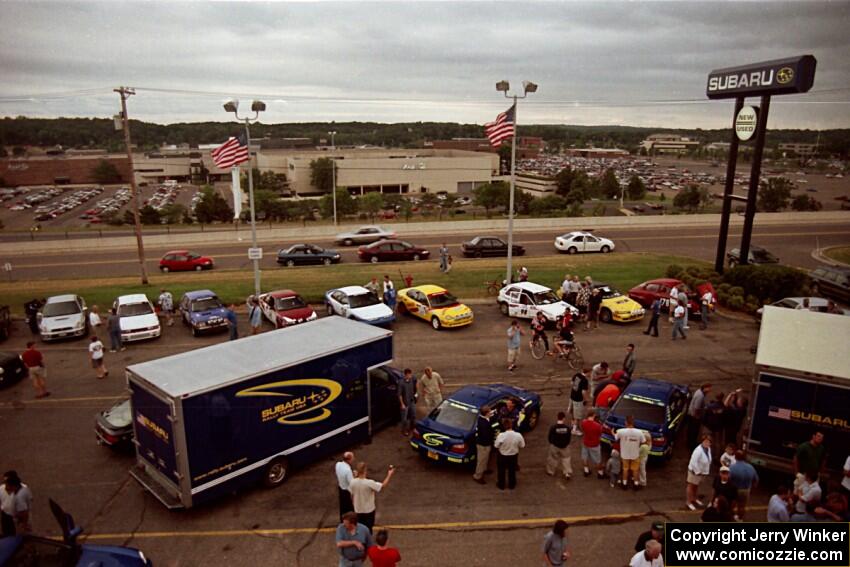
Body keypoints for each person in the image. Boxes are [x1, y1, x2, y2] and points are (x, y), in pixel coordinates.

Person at [349, 462, 395, 533]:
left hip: (357, 509)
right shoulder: (369, 483)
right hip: (368, 510)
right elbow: (382, 486)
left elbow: (352, 494)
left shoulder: (352, 482)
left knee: (360, 528)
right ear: (365, 470)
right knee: (368, 528)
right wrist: (389, 475)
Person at [615, 416, 647, 490]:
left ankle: (624, 484)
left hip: (624, 454)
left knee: (625, 469)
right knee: (635, 470)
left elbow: (616, 438)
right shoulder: (639, 432)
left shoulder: (621, 431)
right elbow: (644, 442)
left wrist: (612, 432)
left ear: (626, 422)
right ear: (633, 423)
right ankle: (636, 484)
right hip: (635, 454)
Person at [494, 418, 525, 490]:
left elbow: (496, 445)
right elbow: (522, 445)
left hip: (502, 456)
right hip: (513, 456)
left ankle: (501, 485)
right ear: (512, 425)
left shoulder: (501, 435)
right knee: (512, 471)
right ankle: (512, 485)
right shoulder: (518, 435)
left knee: (501, 471)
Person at [0, 471, 32, 536]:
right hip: (6, 515)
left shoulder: (21, 493)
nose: (5, 485)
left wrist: (24, 523)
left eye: (7, 482)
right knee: (7, 534)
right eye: (5, 481)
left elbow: (24, 512)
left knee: (19, 536)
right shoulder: (1, 488)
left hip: (17, 517)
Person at [729, 451, 758, 520]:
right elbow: (756, 480)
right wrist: (752, 488)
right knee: (742, 506)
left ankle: (730, 518)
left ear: (735, 457)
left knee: (731, 505)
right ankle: (740, 519)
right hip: (746, 490)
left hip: (734, 490)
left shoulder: (732, 467)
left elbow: (728, 479)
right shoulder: (751, 467)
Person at [686, 435, 712, 511]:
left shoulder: (708, 449)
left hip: (701, 472)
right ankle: (688, 502)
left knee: (696, 486)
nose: (707, 443)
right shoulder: (698, 450)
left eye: (708, 442)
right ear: (702, 442)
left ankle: (694, 498)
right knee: (691, 486)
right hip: (694, 471)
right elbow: (693, 462)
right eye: (705, 441)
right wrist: (697, 472)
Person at [546, 412, 573, 480]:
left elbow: (549, 437)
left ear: (557, 417)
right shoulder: (567, 428)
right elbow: (569, 438)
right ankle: (567, 473)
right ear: (564, 418)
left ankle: (551, 471)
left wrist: (552, 443)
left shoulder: (553, 427)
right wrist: (566, 444)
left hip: (555, 446)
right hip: (565, 447)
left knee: (553, 458)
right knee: (566, 459)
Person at [473, 405, 494, 485]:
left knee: (485, 458)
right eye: (489, 411)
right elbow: (486, 435)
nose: (491, 412)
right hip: (483, 444)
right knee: (481, 460)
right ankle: (477, 476)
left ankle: (484, 469)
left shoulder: (482, 419)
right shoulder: (484, 424)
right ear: (486, 413)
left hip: (484, 443)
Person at [581, 410, 605, 479]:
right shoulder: (597, 426)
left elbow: (583, 429)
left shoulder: (583, 422)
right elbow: (600, 434)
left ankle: (586, 470)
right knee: (597, 460)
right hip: (594, 444)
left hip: (585, 442)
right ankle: (600, 473)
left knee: (584, 457)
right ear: (594, 415)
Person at [687, 383, 711, 449]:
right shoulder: (701, 396)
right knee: (693, 431)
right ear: (705, 388)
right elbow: (696, 408)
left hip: (691, 414)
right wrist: (697, 416)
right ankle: (691, 445)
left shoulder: (698, 391)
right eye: (708, 388)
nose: (710, 390)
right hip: (694, 417)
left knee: (690, 431)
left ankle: (689, 443)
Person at [335, 452, 355, 521]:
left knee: (342, 508)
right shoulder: (348, 470)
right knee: (349, 509)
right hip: (347, 491)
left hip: (341, 488)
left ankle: (342, 520)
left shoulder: (338, 464)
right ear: (349, 459)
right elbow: (352, 483)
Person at [569, 370, 589, 436]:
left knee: (572, 411)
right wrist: (586, 400)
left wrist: (575, 391)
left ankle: (572, 423)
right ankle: (574, 429)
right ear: (588, 372)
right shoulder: (585, 380)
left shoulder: (577, 374)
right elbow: (583, 392)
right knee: (578, 416)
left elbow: (571, 383)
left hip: (572, 396)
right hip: (578, 399)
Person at [398, 369, 417, 436]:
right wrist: (402, 404)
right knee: (404, 419)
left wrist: (416, 394)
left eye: (411, 374)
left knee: (413, 415)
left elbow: (416, 383)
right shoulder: (401, 383)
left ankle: (412, 427)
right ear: (406, 374)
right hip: (405, 403)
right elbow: (399, 395)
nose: (411, 376)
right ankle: (404, 430)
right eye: (409, 375)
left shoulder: (412, 379)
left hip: (412, 401)